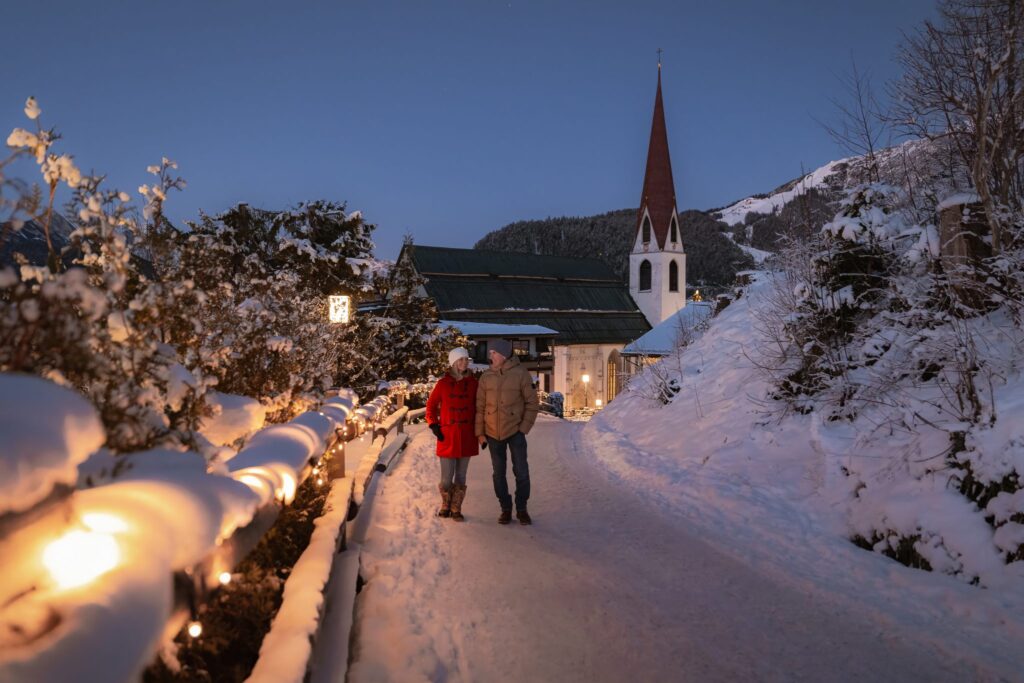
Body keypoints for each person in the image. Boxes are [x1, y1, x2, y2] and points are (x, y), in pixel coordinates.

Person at [475, 339, 539, 525]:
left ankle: (522, 509)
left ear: (503, 354)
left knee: (522, 472)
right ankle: (505, 508)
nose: (491, 356)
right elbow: (480, 407)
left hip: (515, 431)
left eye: (493, 353)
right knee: (498, 474)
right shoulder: (486, 376)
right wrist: (480, 433)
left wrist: (523, 428)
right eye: (490, 353)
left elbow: (532, 403)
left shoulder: (521, 374)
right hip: (493, 433)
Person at [426, 347, 480, 521]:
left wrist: (481, 431)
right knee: (446, 477)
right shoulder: (443, 384)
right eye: (461, 359)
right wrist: (434, 425)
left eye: (466, 359)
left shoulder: (474, 384)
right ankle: (445, 504)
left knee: (461, 475)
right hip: (447, 436)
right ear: (453, 362)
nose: (464, 362)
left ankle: (456, 507)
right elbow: (430, 406)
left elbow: (480, 408)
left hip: (467, 435)